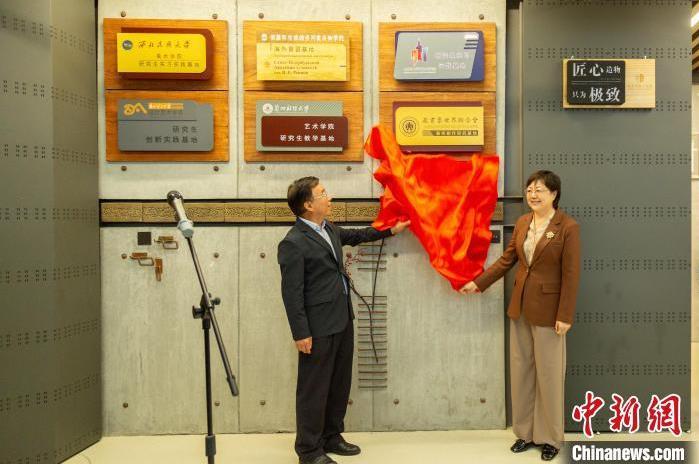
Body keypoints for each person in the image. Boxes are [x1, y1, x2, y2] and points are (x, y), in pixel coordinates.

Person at [278, 176, 410, 464]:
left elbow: (358, 236)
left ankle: (331, 436)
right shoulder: (293, 243)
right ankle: (309, 450)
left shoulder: (329, 228)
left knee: (339, 383)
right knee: (313, 389)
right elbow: (291, 293)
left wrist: (390, 230)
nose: (330, 198)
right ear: (308, 204)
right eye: (323, 193)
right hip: (316, 327)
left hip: (341, 318)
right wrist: (300, 333)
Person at [461, 170, 580, 461]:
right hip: (521, 308)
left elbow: (571, 275)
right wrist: (479, 282)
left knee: (549, 376)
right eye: (529, 190)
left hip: (551, 314)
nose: (533, 195)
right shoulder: (524, 222)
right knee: (522, 372)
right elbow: (507, 260)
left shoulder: (567, 227)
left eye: (539, 190)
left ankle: (551, 437)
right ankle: (525, 433)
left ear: (554, 194)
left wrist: (565, 315)